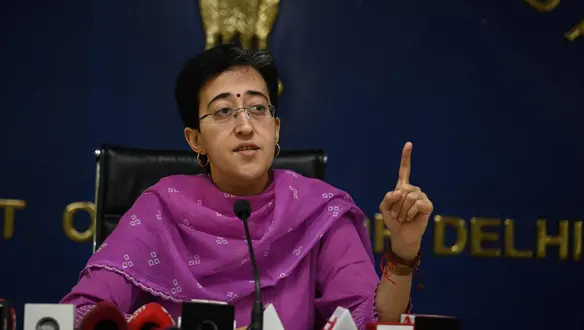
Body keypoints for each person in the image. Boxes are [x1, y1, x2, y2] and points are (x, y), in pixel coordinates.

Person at [60, 44, 434, 330]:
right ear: (195, 140)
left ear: (276, 129)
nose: (244, 125)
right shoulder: (160, 209)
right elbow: (83, 314)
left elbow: (372, 323)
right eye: (223, 111)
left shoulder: (320, 212)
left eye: (258, 109)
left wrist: (402, 252)